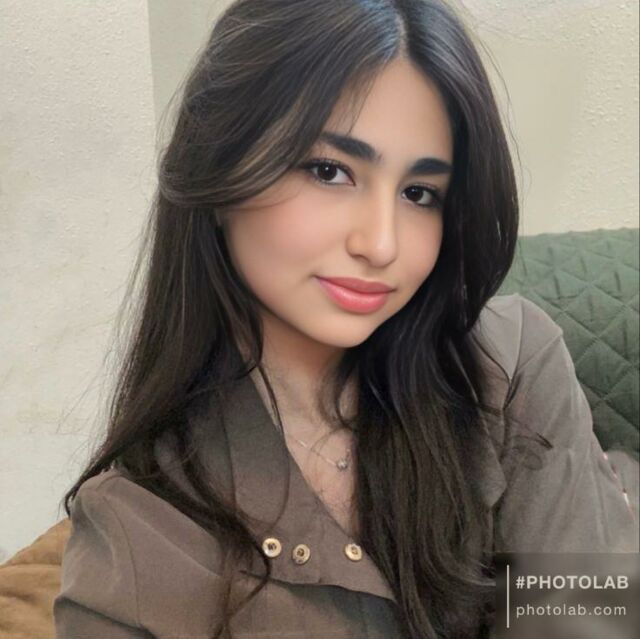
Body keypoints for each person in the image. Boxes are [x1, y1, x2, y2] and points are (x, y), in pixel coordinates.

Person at [53, 1, 638, 638]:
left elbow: (583, 623)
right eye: (329, 171)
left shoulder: (510, 363)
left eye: (419, 193)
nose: (381, 244)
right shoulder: (136, 535)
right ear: (216, 171)